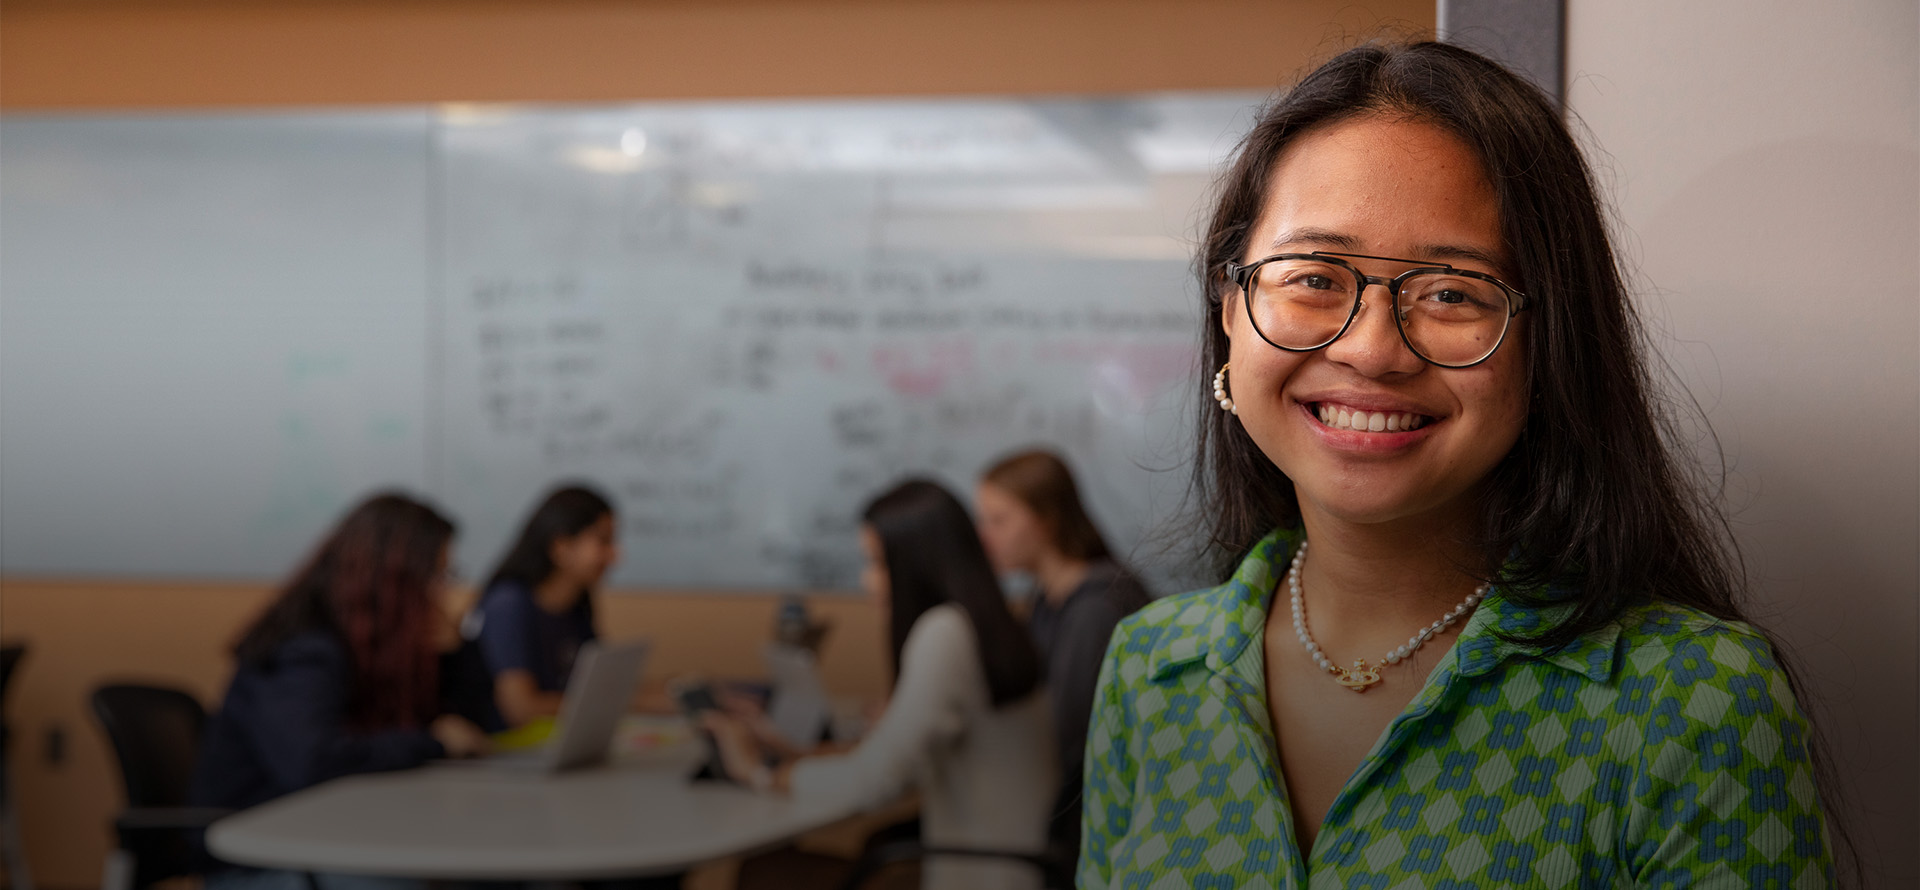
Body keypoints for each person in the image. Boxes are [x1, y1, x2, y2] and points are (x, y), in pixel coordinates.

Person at [1079, 42, 1844, 889]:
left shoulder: (1694, 702)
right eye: (1313, 277)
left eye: (1451, 292)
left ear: (1546, 343)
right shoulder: (1151, 673)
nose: (1370, 351)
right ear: (1231, 308)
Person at [705, 479, 1056, 890]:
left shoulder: (945, 634)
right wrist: (793, 752)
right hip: (1011, 867)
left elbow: (877, 782)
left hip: (978, 874)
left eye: (878, 563)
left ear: (915, 563)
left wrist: (759, 774)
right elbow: (899, 759)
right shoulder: (985, 623)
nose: (867, 581)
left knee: (766, 872)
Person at [190, 493, 489, 890]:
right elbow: (312, 764)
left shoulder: (376, 647)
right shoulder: (303, 648)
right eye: (436, 578)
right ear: (393, 581)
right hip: (257, 859)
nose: (443, 593)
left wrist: (457, 654)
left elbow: (475, 726)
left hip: (333, 840)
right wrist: (431, 743)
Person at [975, 449, 1149, 847]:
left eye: (998, 521)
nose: (984, 537)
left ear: (1046, 521)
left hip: (1101, 818)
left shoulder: (1093, 608)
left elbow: (1066, 735)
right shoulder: (1047, 596)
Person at [467, 484, 619, 729]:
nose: (614, 555)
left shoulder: (577, 604)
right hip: (506, 753)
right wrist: (622, 702)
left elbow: (603, 684)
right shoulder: (508, 604)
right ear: (561, 547)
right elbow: (521, 709)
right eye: (603, 542)